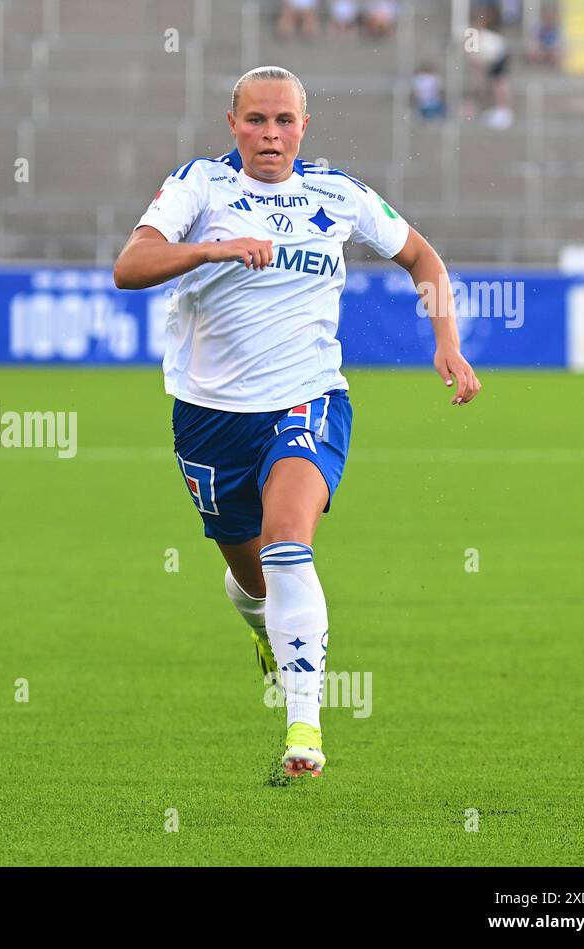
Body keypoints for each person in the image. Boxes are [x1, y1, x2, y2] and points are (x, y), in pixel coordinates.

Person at [113, 66, 481, 778]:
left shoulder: (335, 193)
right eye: (256, 120)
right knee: (250, 579)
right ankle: (265, 633)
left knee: (288, 545)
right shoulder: (200, 186)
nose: (270, 134)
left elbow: (420, 254)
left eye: (284, 121)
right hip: (209, 418)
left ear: (303, 127)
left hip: (307, 400)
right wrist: (215, 248)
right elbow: (131, 266)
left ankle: (304, 727)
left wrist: (447, 341)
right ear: (233, 124)